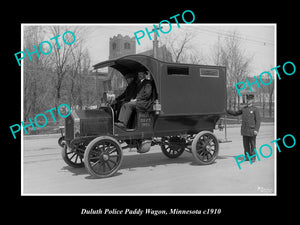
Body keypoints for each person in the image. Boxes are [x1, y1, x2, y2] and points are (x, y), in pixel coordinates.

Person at [227, 93, 261, 163]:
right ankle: (247, 157)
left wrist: (256, 130)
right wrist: (227, 111)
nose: (248, 100)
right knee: (245, 145)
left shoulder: (255, 109)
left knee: (252, 145)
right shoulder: (244, 109)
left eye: (250, 99)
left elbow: (258, 121)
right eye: (247, 99)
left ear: (252, 100)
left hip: (252, 130)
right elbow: (235, 113)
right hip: (245, 130)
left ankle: (253, 157)